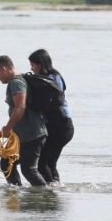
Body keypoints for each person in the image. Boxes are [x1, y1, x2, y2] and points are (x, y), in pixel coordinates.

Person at [0, 55, 48, 187]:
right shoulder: (19, 80)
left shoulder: (16, 82)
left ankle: (46, 196)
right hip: (24, 135)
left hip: (32, 134)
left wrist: (8, 127)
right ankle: (15, 192)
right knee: (6, 163)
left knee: (29, 170)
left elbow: (20, 106)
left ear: (5, 69)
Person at [28, 49, 75, 185]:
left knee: (43, 162)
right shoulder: (43, 78)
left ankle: (51, 189)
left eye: (33, 65)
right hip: (56, 126)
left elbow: (56, 98)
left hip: (62, 126)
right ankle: (55, 187)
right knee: (49, 162)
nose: (31, 68)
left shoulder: (54, 77)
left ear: (41, 64)